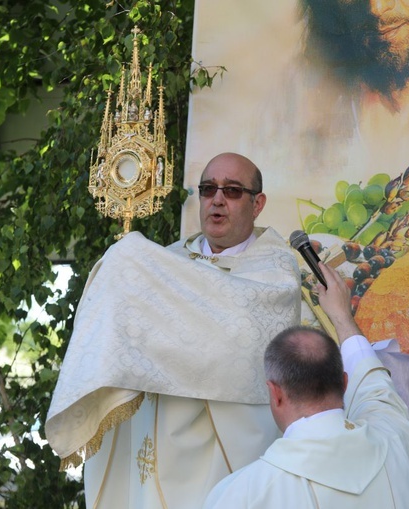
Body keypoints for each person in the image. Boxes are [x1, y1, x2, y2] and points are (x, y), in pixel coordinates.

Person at [45, 152, 302, 508]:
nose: (217, 199)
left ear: (257, 204)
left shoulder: (276, 272)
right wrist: (126, 271)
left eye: (232, 191)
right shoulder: (166, 262)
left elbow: (245, 342)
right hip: (155, 431)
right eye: (209, 188)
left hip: (227, 445)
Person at [203, 261, 409, 508]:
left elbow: (374, 387)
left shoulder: (241, 495)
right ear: (345, 383)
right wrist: (341, 316)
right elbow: (375, 387)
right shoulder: (396, 439)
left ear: (275, 394)